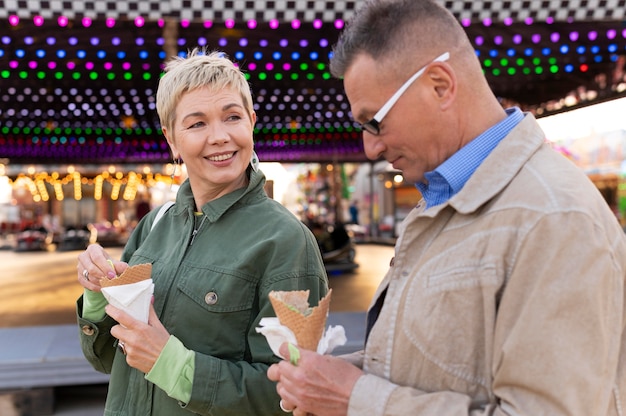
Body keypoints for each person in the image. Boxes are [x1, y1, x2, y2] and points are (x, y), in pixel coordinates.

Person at [267, 1, 626, 415]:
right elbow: (437, 369)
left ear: (439, 84)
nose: (371, 146)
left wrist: (355, 397)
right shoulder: (446, 200)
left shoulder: (555, 218)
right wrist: (330, 380)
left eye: (374, 122)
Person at [76, 48, 328, 416]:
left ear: (252, 122)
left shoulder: (285, 242)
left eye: (232, 117)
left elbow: (293, 395)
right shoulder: (154, 225)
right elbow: (107, 361)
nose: (220, 136)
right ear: (172, 140)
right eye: (197, 124)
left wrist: (171, 363)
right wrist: (96, 294)